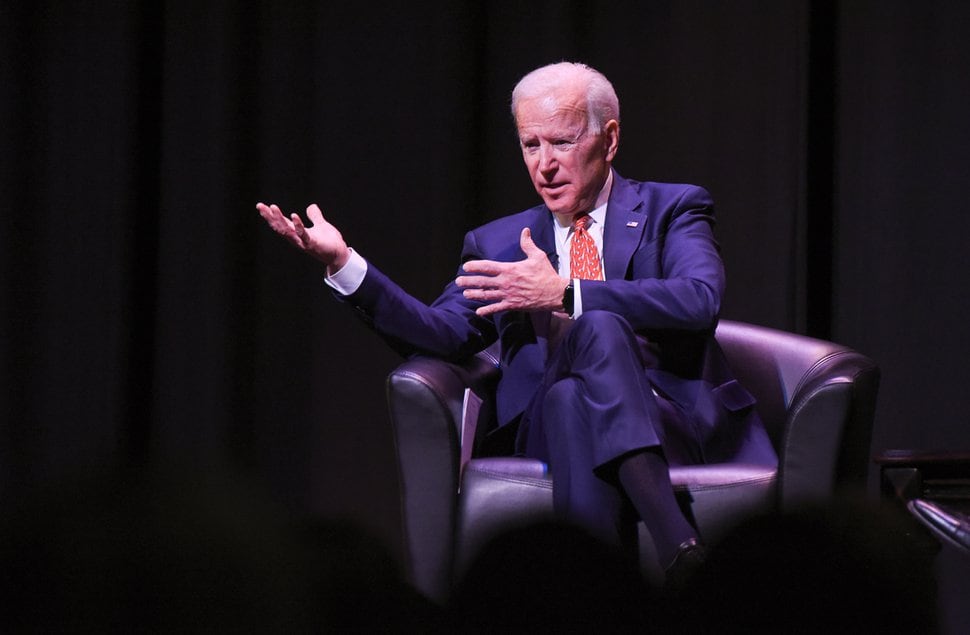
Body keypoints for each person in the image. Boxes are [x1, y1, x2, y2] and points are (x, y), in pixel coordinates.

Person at [257, 62, 776, 585]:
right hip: (541, 434)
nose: (545, 165)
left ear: (609, 139)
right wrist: (345, 264)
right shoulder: (499, 243)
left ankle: (590, 599)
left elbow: (699, 299)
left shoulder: (673, 208)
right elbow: (444, 333)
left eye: (562, 142)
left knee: (575, 388)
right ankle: (678, 546)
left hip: (669, 422)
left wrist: (567, 293)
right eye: (531, 146)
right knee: (589, 344)